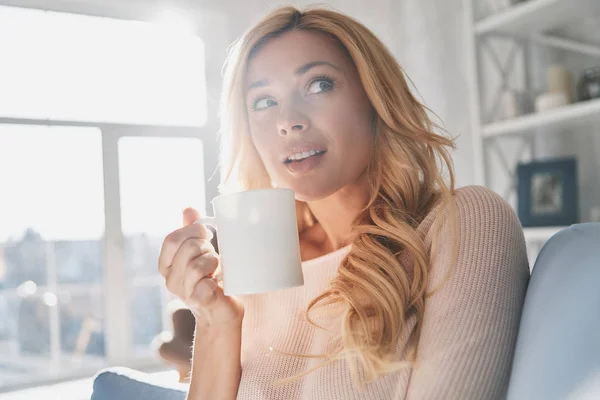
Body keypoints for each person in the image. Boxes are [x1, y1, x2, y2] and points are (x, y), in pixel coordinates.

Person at [158, 6, 530, 400]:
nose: (288, 121)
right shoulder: (254, 264)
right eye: (264, 101)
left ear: (375, 98)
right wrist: (216, 321)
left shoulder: (463, 222)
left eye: (319, 85)